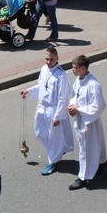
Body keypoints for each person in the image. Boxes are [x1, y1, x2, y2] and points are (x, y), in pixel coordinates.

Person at [20, 46, 74, 176]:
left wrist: (57, 116)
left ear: (57, 59)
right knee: (39, 133)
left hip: (53, 109)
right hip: (42, 107)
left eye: (51, 59)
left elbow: (63, 98)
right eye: (46, 59)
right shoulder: (44, 69)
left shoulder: (61, 75)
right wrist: (29, 90)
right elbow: (41, 85)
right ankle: (56, 151)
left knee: (54, 137)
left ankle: (53, 162)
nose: (48, 62)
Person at [67, 55, 107, 190]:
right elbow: (75, 96)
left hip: (89, 122)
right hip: (82, 118)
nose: (72, 70)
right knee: (96, 144)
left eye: (74, 68)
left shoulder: (93, 85)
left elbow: (99, 106)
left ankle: (83, 177)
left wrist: (78, 109)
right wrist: (72, 106)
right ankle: (102, 162)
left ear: (83, 68)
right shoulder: (78, 81)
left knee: (85, 150)